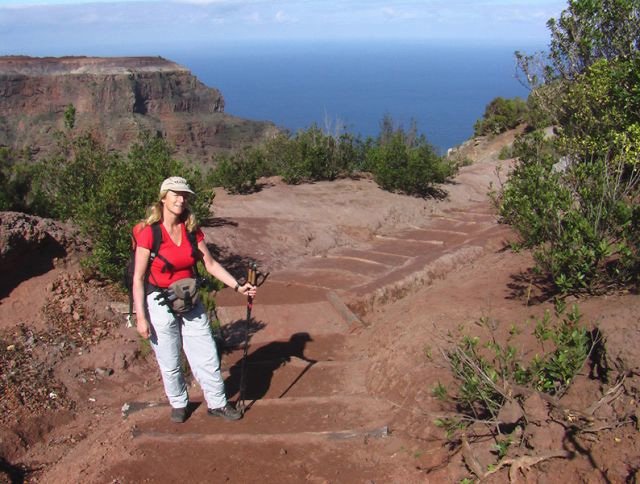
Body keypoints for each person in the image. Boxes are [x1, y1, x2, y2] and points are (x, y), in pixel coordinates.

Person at [132, 176, 256, 423]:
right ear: (163, 197)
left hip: (190, 298)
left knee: (207, 354)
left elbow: (209, 264)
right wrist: (141, 318)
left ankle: (218, 404)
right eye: (176, 194)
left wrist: (237, 285)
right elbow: (138, 278)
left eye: (184, 195)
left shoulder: (191, 231)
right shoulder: (149, 233)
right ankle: (179, 403)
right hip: (159, 300)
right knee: (169, 358)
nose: (181, 199)